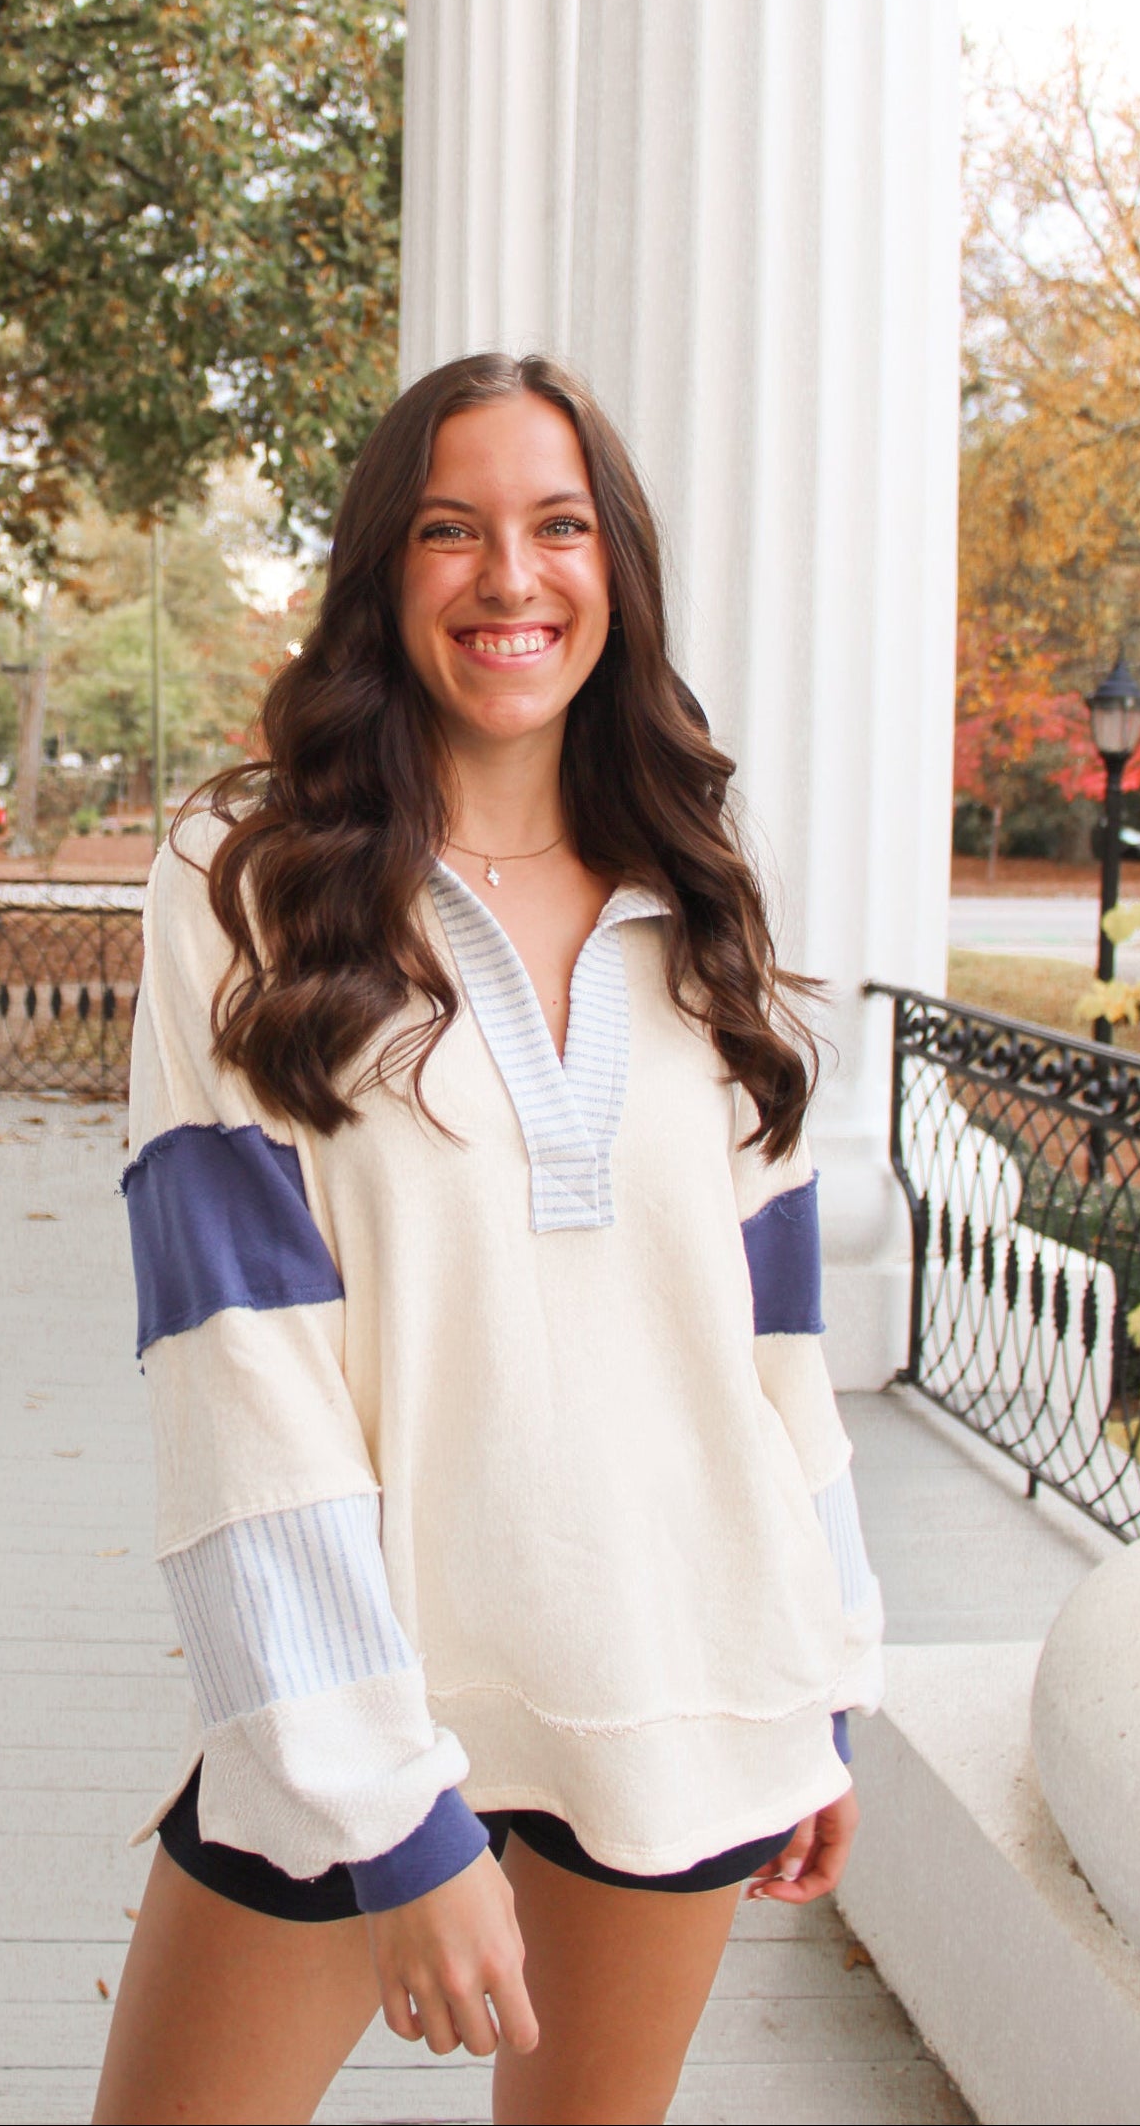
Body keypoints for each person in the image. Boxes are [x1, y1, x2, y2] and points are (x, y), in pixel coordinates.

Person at [93, 353, 883, 2126]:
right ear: (383, 571)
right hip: (367, 1698)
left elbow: (770, 1344)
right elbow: (237, 1359)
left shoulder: (695, 885)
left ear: (616, 567)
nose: (509, 576)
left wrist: (823, 1676)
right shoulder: (246, 877)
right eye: (450, 530)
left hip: (688, 1675)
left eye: (558, 526)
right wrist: (389, 1810)